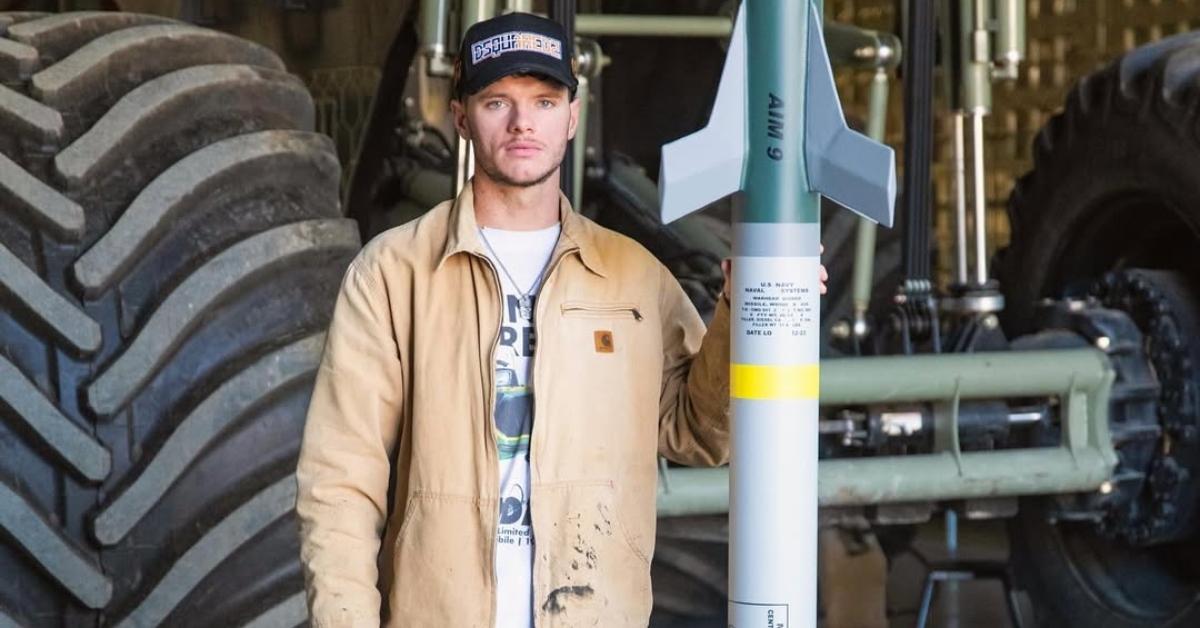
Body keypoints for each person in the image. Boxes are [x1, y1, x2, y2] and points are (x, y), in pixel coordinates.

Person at [296, 11, 827, 628]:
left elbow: (700, 433)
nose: (524, 123)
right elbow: (339, 484)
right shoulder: (394, 274)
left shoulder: (633, 275)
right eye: (499, 101)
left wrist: (749, 312)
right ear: (462, 117)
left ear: (572, 116)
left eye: (545, 102)